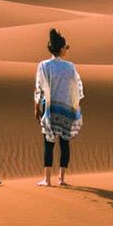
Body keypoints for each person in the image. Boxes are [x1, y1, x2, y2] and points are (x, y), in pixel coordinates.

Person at [34, 28, 83, 187]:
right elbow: (76, 88)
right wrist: (75, 106)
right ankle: (61, 179)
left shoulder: (43, 66)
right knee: (64, 143)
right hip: (66, 109)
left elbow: (39, 87)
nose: (67, 50)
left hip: (49, 109)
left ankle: (47, 179)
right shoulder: (69, 67)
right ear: (61, 49)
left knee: (48, 143)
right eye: (66, 47)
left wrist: (36, 106)